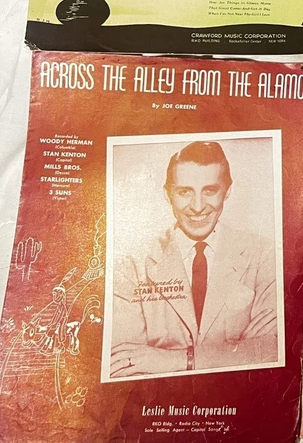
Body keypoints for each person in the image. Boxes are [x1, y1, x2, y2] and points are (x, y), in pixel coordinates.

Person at [109, 141, 279, 379]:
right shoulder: (131, 264)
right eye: (184, 192)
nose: (198, 207)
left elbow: (272, 351)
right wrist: (237, 350)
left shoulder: (264, 254)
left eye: (210, 191)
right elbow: (124, 364)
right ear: (168, 194)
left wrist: (174, 359)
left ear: (227, 191)